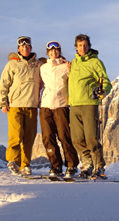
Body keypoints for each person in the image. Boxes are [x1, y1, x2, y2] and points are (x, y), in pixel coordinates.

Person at [0, 36, 43, 175]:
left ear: (31, 48)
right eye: (22, 47)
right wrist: (3, 103)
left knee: (29, 137)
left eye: (27, 46)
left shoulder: (38, 65)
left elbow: (51, 70)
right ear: (18, 49)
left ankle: (25, 165)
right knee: (15, 135)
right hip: (15, 105)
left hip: (32, 105)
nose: (25, 48)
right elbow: (3, 84)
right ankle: (13, 162)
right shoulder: (12, 64)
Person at [68, 34, 112, 178]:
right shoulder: (73, 63)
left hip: (89, 103)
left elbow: (105, 81)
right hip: (74, 104)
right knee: (76, 138)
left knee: (91, 138)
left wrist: (103, 90)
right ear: (76, 47)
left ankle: (98, 166)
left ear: (89, 46)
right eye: (80, 45)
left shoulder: (95, 62)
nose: (83, 48)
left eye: (85, 45)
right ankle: (87, 163)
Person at [39, 41, 79, 178]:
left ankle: (72, 165)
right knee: (48, 137)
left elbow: (74, 83)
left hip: (61, 105)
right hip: (45, 105)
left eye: (56, 50)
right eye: (51, 50)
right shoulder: (43, 67)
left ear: (60, 51)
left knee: (64, 136)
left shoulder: (67, 66)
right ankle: (55, 166)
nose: (54, 52)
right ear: (47, 52)